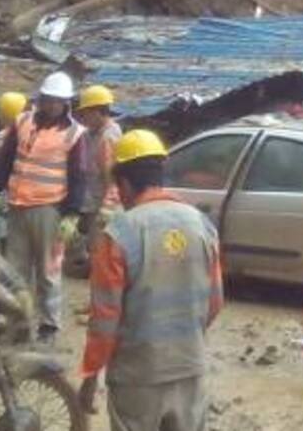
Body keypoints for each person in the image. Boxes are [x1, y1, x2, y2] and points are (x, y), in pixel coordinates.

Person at [79, 129, 223, 431]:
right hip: (190, 368)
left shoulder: (119, 233)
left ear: (125, 183)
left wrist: (90, 375)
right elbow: (214, 303)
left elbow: (105, 319)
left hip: (137, 375)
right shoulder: (202, 225)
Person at [0, 71, 86, 341]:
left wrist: (72, 214)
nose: (50, 105)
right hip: (18, 205)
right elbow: (6, 160)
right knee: (14, 269)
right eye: (47, 99)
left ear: (66, 103)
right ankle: (16, 321)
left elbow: (79, 176)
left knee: (48, 270)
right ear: (41, 98)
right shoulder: (22, 122)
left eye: (56, 101)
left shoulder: (74, 134)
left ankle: (49, 325)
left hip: (50, 209)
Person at [74, 85, 122, 258]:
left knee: (100, 253)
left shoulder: (108, 138)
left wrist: (107, 207)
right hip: (91, 204)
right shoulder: (90, 134)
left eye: (85, 113)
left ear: (98, 112)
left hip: (102, 208)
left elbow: (111, 178)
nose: (82, 118)